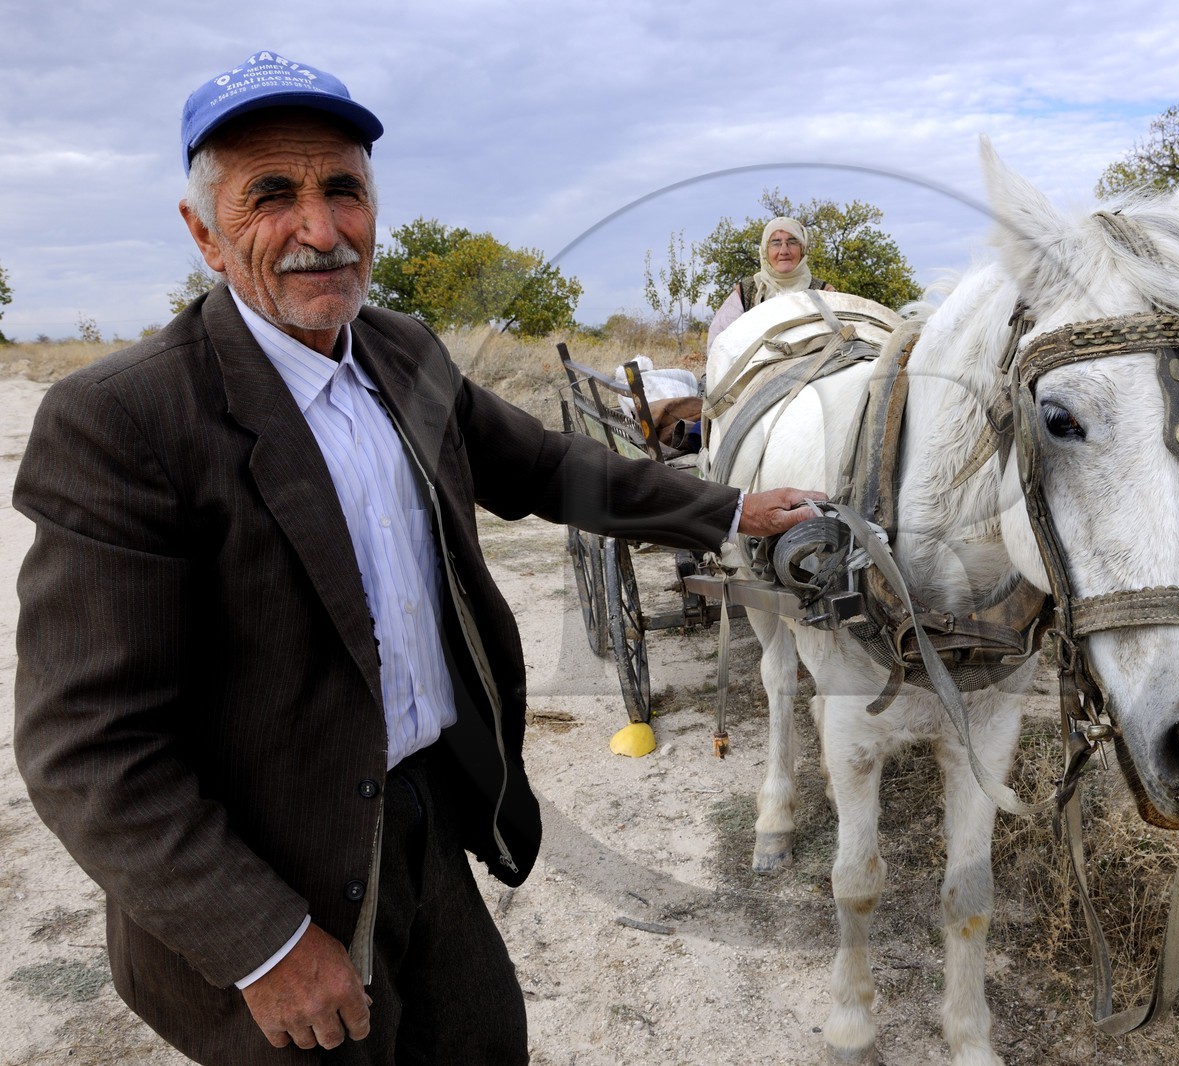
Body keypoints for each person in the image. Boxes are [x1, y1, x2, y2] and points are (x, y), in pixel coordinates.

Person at [11, 50, 820, 1066]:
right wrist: (260, 943)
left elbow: (549, 466)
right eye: (272, 196)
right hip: (274, 872)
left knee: (487, 1043)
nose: (320, 228)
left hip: (428, 814)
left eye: (342, 189)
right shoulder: (121, 421)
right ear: (203, 234)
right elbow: (84, 748)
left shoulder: (401, 351)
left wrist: (732, 508)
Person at [704, 216, 835, 353]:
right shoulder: (746, 292)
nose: (784, 251)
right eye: (776, 243)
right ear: (765, 251)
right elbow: (716, 345)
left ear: (802, 249)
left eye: (792, 242)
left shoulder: (824, 292)